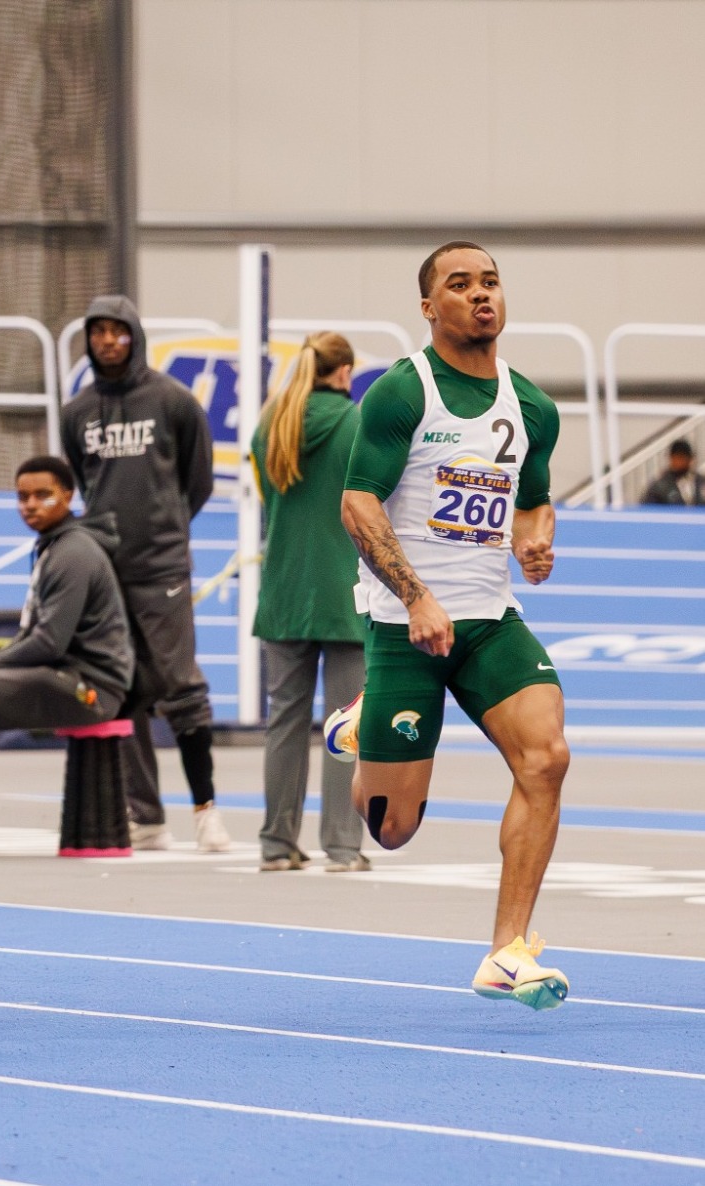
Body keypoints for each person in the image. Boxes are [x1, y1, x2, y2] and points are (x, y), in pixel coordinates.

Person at [324, 241, 571, 1010]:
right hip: (406, 625)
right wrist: (418, 597)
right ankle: (368, 721)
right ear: (430, 308)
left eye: (490, 282)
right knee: (392, 831)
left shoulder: (532, 406)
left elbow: (533, 497)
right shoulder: (403, 394)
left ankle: (507, 952)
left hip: (491, 620)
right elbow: (357, 503)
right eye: (459, 285)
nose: (480, 295)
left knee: (548, 757)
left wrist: (535, 535)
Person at [59, 295, 227, 853]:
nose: (108, 341)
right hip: (105, 572)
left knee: (181, 688)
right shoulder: (77, 410)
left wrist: (166, 528)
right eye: (99, 332)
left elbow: (196, 482)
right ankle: (146, 815)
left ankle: (207, 813)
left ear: (134, 335)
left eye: (118, 331)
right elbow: (85, 485)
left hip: (163, 569)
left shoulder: (174, 401)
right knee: (121, 690)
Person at [0, 457, 134, 840]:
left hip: (91, 687)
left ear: (68, 496)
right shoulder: (52, 548)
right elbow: (31, 637)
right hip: (62, 673)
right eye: (22, 497)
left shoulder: (73, 553)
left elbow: (48, 643)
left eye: (42, 495)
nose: (30, 505)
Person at [249, 333, 367, 872]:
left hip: (283, 593)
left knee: (284, 724)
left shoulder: (270, 426)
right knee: (346, 726)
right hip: (345, 593)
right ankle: (343, 847)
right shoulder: (357, 422)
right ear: (344, 372)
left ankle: (276, 844)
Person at [642, 439, 703, 506]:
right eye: (676, 458)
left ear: (690, 459)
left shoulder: (701, 482)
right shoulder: (660, 486)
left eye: (682, 458)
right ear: (671, 459)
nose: (679, 462)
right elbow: (648, 509)